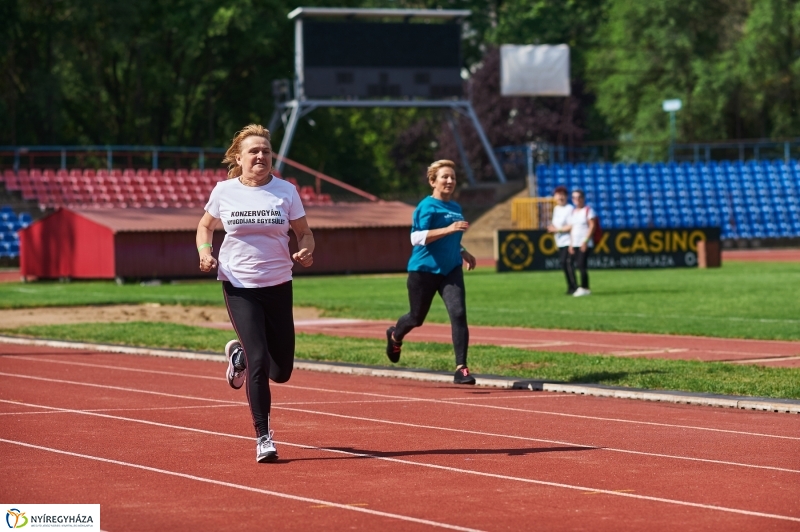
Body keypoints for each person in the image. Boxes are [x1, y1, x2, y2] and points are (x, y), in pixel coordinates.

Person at [196, 124, 315, 463]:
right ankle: (263, 437)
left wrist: (306, 250)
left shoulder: (286, 191)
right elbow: (205, 225)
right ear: (239, 157)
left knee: (282, 371)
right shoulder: (224, 191)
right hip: (239, 284)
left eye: (266, 151)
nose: (261, 156)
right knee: (261, 362)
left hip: (278, 283)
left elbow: (305, 233)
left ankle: (240, 356)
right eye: (254, 151)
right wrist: (206, 251)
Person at [385, 160, 478, 385]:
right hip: (423, 271)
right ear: (432, 181)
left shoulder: (456, 208)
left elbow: (452, 239)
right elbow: (416, 238)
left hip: (451, 269)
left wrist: (463, 251)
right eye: (445, 177)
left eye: (453, 177)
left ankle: (461, 368)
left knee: (458, 314)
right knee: (416, 318)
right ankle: (395, 335)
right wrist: (448, 229)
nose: (449, 181)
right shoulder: (426, 207)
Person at [547, 186, 577, 295]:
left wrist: (557, 229)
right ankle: (570, 286)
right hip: (560, 241)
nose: (560, 197)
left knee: (567, 263)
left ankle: (574, 286)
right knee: (564, 264)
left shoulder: (569, 209)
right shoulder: (556, 209)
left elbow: (571, 226)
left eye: (562, 195)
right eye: (558, 195)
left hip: (568, 241)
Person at [567, 189, 596, 297]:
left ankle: (584, 287)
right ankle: (578, 286)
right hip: (575, 243)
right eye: (574, 197)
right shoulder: (573, 212)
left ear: (583, 198)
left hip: (584, 242)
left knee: (581, 265)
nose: (577, 199)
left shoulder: (588, 210)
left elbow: (592, 226)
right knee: (570, 263)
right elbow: (572, 229)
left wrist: (586, 241)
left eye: (579, 197)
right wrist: (571, 243)